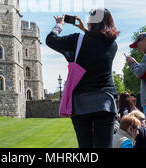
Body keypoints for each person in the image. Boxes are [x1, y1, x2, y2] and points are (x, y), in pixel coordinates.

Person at [46, 9, 119, 148]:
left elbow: (51, 40)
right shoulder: (112, 45)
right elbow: (96, 44)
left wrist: (59, 25)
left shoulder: (77, 39)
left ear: (91, 22)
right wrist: (85, 29)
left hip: (81, 103)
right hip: (106, 101)